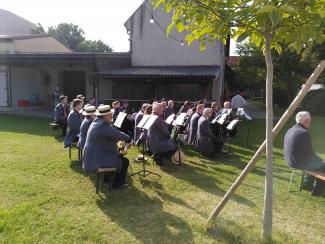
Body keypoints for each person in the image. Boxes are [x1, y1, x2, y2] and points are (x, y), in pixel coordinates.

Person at [82, 105, 131, 189]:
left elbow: (112, 134)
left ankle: (107, 179)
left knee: (118, 154)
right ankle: (117, 184)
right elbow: (116, 134)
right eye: (110, 114)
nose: (112, 115)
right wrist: (129, 139)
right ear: (105, 116)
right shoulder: (102, 125)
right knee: (124, 161)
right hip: (96, 157)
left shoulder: (97, 121)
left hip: (93, 154)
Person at [284, 111, 325, 196]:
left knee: (316, 163)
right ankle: (318, 191)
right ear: (306, 121)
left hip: (290, 160)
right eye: (309, 121)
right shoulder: (303, 133)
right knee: (322, 165)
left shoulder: (290, 129)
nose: (310, 123)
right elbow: (309, 153)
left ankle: (307, 185)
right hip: (297, 162)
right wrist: (321, 160)